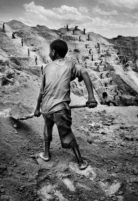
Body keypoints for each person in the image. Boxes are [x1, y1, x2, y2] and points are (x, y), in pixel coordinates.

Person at [34, 39, 97, 170]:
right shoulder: (70, 64)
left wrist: (37, 108)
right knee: (67, 134)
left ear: (53, 52)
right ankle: (80, 162)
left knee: (47, 127)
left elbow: (42, 91)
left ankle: (46, 154)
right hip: (60, 109)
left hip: (46, 108)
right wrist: (91, 97)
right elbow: (84, 73)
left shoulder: (46, 68)